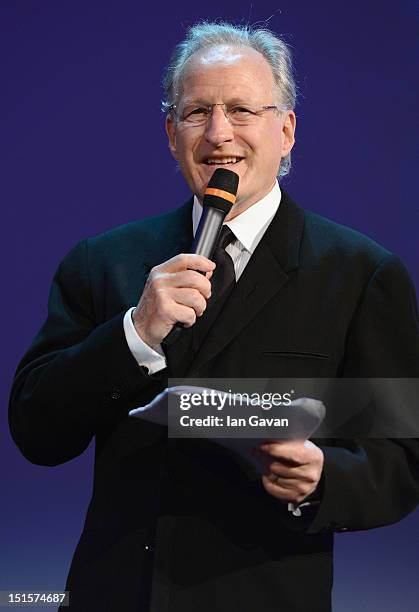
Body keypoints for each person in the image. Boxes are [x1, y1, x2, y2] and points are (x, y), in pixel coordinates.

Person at [9, 21, 419, 612]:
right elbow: (35, 432)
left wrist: (323, 478)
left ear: (287, 130)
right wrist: (134, 334)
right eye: (197, 112)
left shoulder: (362, 274)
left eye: (242, 110)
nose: (219, 133)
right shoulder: (104, 261)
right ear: (171, 133)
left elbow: (401, 461)